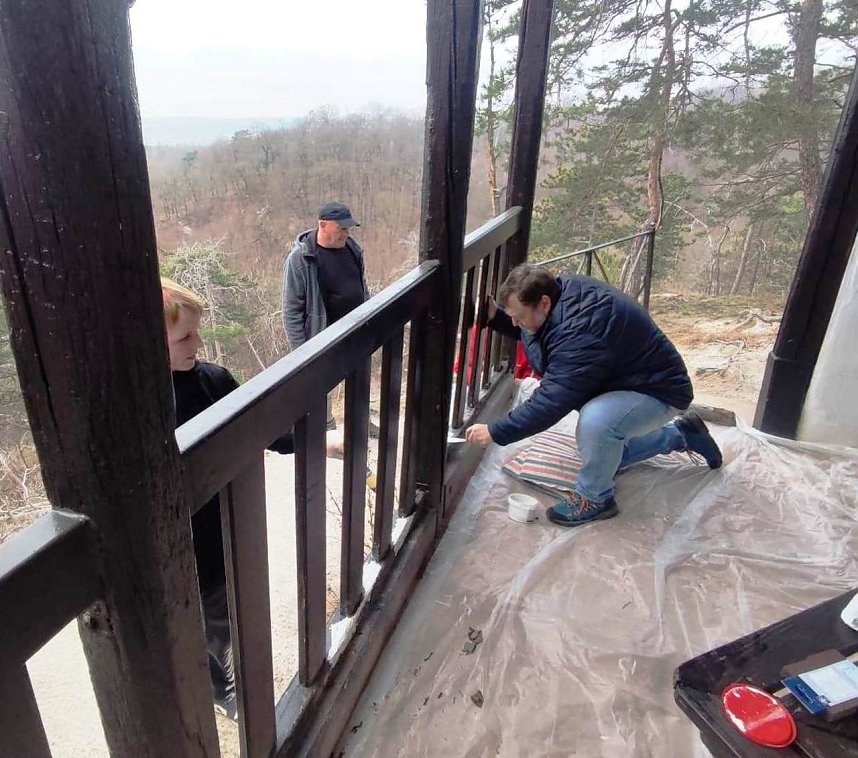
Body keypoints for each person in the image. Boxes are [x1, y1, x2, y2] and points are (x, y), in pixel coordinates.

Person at [465, 264, 722, 527]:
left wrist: (496, 431)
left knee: (596, 425)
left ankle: (596, 499)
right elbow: (535, 331)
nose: (515, 323)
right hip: (629, 380)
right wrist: (495, 315)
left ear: (543, 303)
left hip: (658, 390)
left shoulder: (578, 332)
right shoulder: (557, 297)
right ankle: (682, 435)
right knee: (602, 454)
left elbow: (551, 402)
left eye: (518, 316)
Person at [162, 278, 299, 721]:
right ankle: (214, 689)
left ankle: (228, 688)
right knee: (191, 625)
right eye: (185, 336)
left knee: (224, 617)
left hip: (220, 533)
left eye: (197, 331)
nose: (199, 343)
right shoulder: (139, 406)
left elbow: (256, 422)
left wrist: (313, 440)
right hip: (174, 546)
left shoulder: (212, 380)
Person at [281, 201, 370, 430]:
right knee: (321, 390)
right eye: (341, 228)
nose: (346, 233)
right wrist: (303, 352)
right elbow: (291, 310)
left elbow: (362, 286)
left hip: (355, 334)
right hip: (321, 339)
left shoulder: (352, 248)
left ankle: (360, 424)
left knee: (359, 383)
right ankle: (326, 430)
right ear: (323, 225)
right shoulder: (301, 258)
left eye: (348, 228)